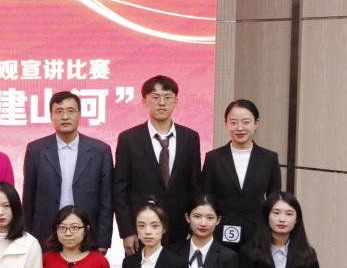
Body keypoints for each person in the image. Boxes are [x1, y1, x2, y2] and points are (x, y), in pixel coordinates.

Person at [113, 75, 202, 255]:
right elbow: (120, 188)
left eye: (167, 97)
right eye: (155, 97)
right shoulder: (129, 139)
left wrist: (192, 227)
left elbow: (195, 187)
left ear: (176, 101)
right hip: (141, 231)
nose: (162, 103)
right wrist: (127, 231)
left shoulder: (190, 138)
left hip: (180, 231)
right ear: (144, 101)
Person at [22, 91, 114, 249]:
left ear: (79, 114)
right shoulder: (36, 150)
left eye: (70, 111)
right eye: (59, 111)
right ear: (51, 116)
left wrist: (103, 241)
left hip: (86, 235)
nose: (65, 116)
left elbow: (106, 200)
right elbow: (28, 199)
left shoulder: (100, 151)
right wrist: (26, 238)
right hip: (45, 235)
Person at [202, 99, 282, 251]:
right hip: (220, 234)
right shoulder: (213, 158)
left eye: (246, 122)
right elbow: (206, 198)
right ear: (226, 123)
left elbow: (274, 199)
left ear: (256, 123)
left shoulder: (269, 159)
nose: (239, 128)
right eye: (233, 122)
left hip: (257, 234)